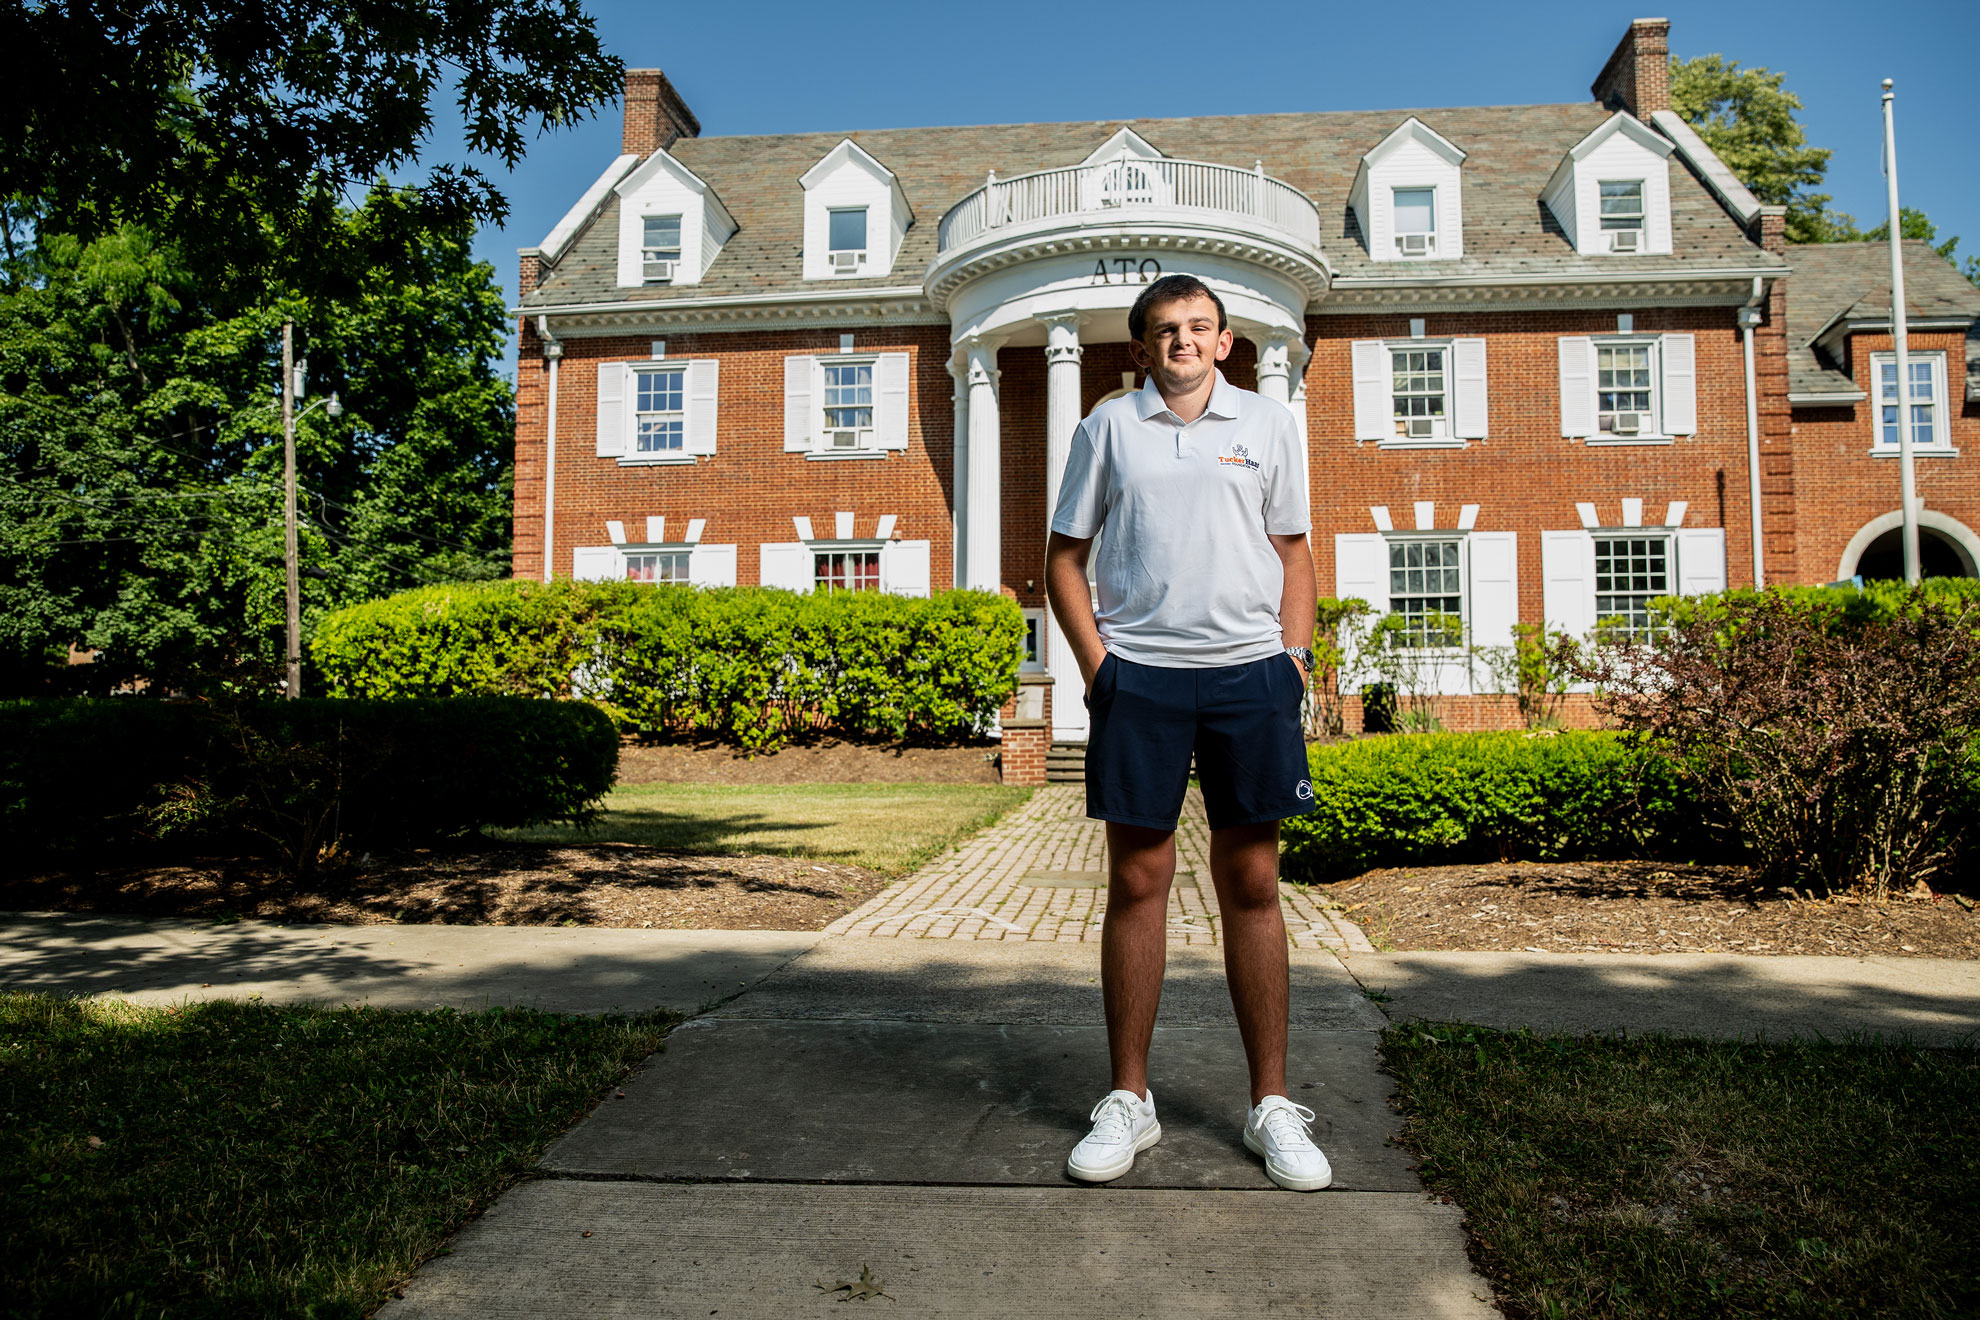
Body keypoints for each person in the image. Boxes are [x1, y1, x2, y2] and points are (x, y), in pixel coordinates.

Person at [1044, 273, 1328, 1192]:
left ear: (1225, 340)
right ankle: (1130, 1099)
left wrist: (1294, 662)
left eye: (1198, 327)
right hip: (1145, 683)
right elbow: (1063, 558)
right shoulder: (1107, 429)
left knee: (1252, 878)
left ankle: (1272, 1106)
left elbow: (1293, 551)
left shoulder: (1267, 424)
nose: (1183, 341)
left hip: (1251, 676)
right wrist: (1101, 673)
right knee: (1139, 877)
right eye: (1164, 330)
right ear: (1139, 348)